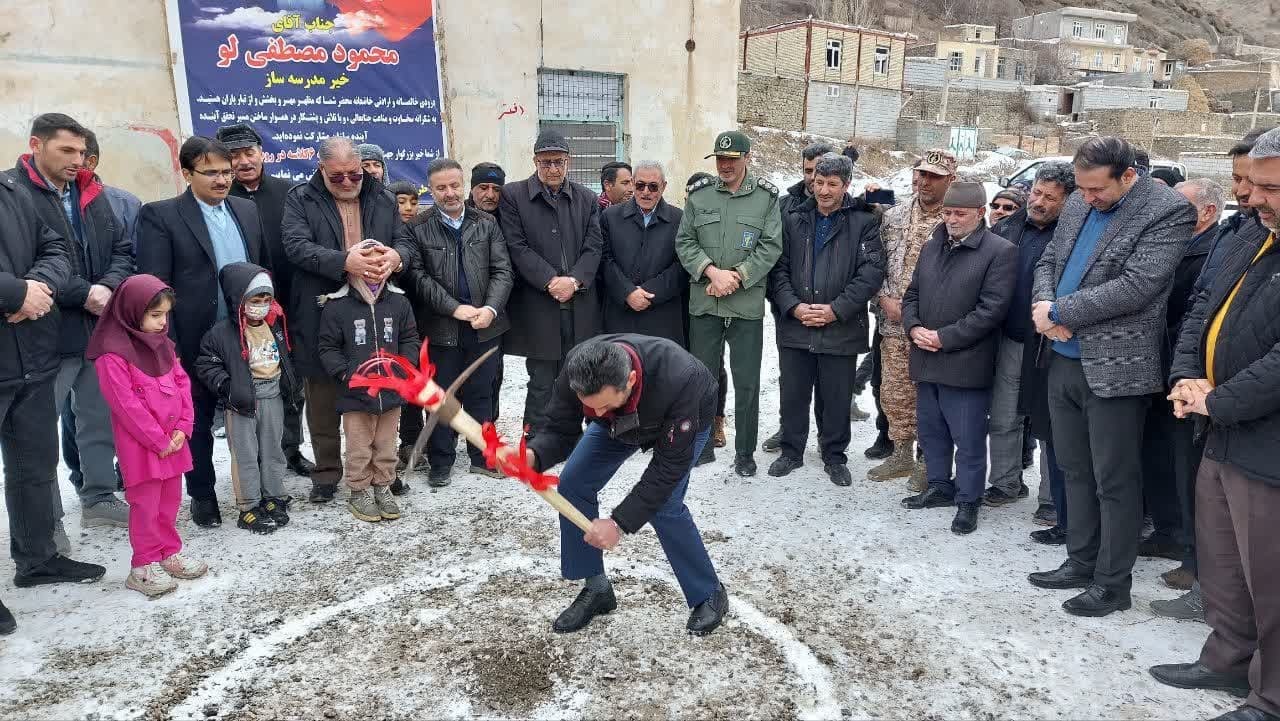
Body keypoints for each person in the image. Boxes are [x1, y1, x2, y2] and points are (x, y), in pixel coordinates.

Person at [1027, 137, 1194, 617]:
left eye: (1096, 189)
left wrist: (1061, 310)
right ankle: (1079, 561)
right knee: (1073, 469)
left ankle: (1112, 584)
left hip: (1117, 368)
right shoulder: (1080, 201)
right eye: (1081, 188)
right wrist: (1045, 309)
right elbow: (1049, 261)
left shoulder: (1165, 211)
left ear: (1127, 176)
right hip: (1062, 356)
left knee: (1115, 480)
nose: (1087, 198)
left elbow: (1139, 285)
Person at [1148, 126, 1280, 721]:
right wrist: (1184, 378)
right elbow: (1202, 308)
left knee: (1270, 579)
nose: (1254, 197)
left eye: (1271, 187)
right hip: (1218, 428)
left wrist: (1217, 398)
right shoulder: (1247, 234)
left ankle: (1270, 695)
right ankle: (1226, 660)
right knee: (1224, 563)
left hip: (1266, 442)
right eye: (1251, 185)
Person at [525, 336, 727, 635]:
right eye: (590, 408)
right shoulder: (578, 372)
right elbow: (559, 429)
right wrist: (534, 455)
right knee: (574, 482)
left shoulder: (682, 378)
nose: (597, 412)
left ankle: (708, 593)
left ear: (630, 379)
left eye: (604, 404)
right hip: (620, 423)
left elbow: (667, 469)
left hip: (686, 418)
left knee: (665, 505)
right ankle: (596, 588)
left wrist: (618, 524)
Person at [136, 136, 269, 528]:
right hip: (193, 336)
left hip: (246, 334)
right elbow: (155, 284)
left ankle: (257, 491)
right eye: (210, 172)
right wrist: (166, 343)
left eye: (227, 172)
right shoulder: (161, 216)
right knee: (195, 420)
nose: (222, 180)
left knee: (252, 411)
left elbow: (259, 268)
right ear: (187, 172)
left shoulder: (245, 210)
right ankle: (203, 495)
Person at [11, 113, 133, 531]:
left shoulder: (91, 192)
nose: (77, 160)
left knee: (98, 417)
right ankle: (46, 527)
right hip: (43, 332)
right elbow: (29, 268)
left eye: (81, 152)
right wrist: (85, 293)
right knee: (38, 436)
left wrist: (110, 288)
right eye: (66, 150)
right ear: (36, 145)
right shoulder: (14, 195)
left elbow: (122, 248)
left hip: (98, 328)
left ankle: (99, 498)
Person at [1, 161, 105, 625]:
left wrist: (37, 287)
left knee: (35, 467)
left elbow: (56, 247)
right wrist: (14, 293)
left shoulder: (13, 192)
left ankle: (38, 558)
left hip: (32, 359)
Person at [281, 136, 403, 504]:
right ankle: (328, 473)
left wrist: (396, 258)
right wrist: (342, 262)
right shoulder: (300, 199)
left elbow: (405, 241)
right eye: (338, 177)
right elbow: (295, 246)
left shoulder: (381, 196)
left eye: (355, 174)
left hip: (375, 307)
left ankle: (381, 473)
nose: (349, 182)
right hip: (320, 310)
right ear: (321, 170)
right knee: (322, 396)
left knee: (378, 390)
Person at [900, 182, 1016, 534]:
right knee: (931, 432)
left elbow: (991, 310)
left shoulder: (1000, 252)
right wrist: (914, 327)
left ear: (980, 213)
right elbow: (912, 294)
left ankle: (968, 500)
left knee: (967, 438)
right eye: (947, 213)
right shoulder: (932, 245)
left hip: (966, 362)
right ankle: (939, 486)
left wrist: (944, 337)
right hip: (926, 356)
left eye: (959, 213)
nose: (951, 219)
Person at [394, 158, 512, 488]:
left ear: (464, 186)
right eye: (441, 188)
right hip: (442, 327)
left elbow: (502, 270)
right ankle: (441, 461)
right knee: (443, 397)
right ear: (431, 190)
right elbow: (417, 277)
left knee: (482, 393)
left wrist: (489, 308)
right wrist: (453, 308)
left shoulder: (486, 223)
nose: (449, 193)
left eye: (455, 186)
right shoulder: (418, 227)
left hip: (485, 326)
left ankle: (482, 456)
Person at [767, 153, 883, 487]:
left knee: (835, 396)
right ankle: (791, 451)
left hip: (841, 326)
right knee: (793, 393)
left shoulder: (863, 221)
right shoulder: (793, 218)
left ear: (846, 185)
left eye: (832, 184)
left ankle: (834, 455)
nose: (824, 190)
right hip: (797, 325)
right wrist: (793, 306)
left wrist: (836, 309)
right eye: (819, 182)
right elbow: (778, 269)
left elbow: (870, 273)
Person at [88, 275, 208, 597]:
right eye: (155, 315)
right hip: (143, 447)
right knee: (145, 504)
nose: (162, 322)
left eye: (166, 315)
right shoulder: (111, 355)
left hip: (174, 441)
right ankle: (142, 565)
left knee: (170, 501)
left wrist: (184, 427)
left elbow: (183, 386)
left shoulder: (164, 346)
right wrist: (159, 440)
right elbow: (125, 405)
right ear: (131, 311)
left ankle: (168, 553)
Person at [676, 129, 782, 477]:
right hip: (705, 304)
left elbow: (770, 246)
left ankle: (745, 451)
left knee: (747, 381)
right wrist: (710, 272)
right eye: (720, 159)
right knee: (701, 379)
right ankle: (702, 444)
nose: (725, 165)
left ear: (747, 159)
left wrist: (735, 276)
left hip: (745, 305)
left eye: (732, 160)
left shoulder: (766, 199)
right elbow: (685, 241)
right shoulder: (700, 196)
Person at [218, 123, 314, 479]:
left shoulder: (290, 193)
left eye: (249, 153)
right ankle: (254, 459)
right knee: (252, 385)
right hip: (243, 311)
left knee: (291, 384)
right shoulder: (220, 199)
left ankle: (290, 450)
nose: (243, 162)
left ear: (262, 153)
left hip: (289, 307)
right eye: (234, 156)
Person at [986, 163, 1076, 543]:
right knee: (1004, 416)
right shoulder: (1008, 228)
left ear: (1068, 200)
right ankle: (1005, 483)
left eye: (1049, 197)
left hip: (1052, 343)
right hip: (1010, 338)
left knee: (1048, 424)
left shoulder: (1074, 234)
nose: (1038, 202)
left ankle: (1051, 499)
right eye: (1036, 193)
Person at [500, 129, 603, 435]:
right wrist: (549, 281)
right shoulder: (514, 195)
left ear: (568, 161)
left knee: (581, 373)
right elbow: (516, 246)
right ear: (535, 162)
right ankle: (535, 437)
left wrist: (574, 280)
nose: (553, 169)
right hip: (539, 303)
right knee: (542, 376)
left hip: (579, 301)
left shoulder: (586, 198)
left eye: (558, 161)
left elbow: (593, 246)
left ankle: (575, 433)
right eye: (546, 163)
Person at [870, 149, 957, 487]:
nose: (925, 181)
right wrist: (881, 297)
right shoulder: (895, 214)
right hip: (892, 323)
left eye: (934, 176)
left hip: (932, 327)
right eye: (921, 173)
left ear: (951, 178)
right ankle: (901, 453)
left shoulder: (955, 218)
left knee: (930, 395)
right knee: (893, 392)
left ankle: (927, 461)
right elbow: (875, 261)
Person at [317, 240, 420, 523]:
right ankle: (359, 488)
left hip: (391, 390)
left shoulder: (399, 302)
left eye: (379, 264)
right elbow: (327, 347)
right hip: (356, 393)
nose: (374, 270)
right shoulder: (337, 306)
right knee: (360, 444)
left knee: (386, 443)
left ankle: (383, 484)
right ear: (352, 267)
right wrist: (348, 374)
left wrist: (402, 368)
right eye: (367, 264)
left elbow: (410, 338)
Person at [195, 263, 298, 534]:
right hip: (241, 402)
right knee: (246, 455)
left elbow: (286, 356)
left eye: (267, 299)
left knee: (273, 449)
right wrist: (227, 387)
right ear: (239, 299)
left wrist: (290, 384)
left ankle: (274, 496)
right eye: (255, 300)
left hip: (272, 395)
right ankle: (249, 505)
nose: (262, 306)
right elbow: (206, 363)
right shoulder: (222, 333)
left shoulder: (275, 324)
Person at [761, 140, 837, 454]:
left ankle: (827, 437)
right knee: (792, 379)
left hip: (830, 310)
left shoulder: (850, 202)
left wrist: (877, 196)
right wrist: (788, 305)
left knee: (828, 380)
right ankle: (789, 430)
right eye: (808, 171)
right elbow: (772, 257)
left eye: (819, 171)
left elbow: (882, 208)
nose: (812, 178)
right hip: (790, 308)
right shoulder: (784, 204)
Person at [600, 160, 688, 342]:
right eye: (640, 185)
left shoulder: (679, 219)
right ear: (632, 183)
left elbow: (682, 265)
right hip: (620, 315)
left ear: (663, 187)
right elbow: (604, 260)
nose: (646, 192)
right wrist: (627, 292)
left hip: (662, 316)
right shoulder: (610, 217)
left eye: (653, 187)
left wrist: (649, 293)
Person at [684, 171, 731, 452]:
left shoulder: (718, 225)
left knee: (714, 368)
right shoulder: (682, 220)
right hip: (680, 303)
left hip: (711, 303)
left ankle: (716, 420)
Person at [466, 161, 507, 422]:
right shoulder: (459, 218)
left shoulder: (509, 219)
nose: (490, 195)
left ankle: (486, 430)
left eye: (496, 189)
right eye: (483, 187)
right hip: (458, 313)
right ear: (472, 190)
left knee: (491, 378)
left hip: (494, 315)